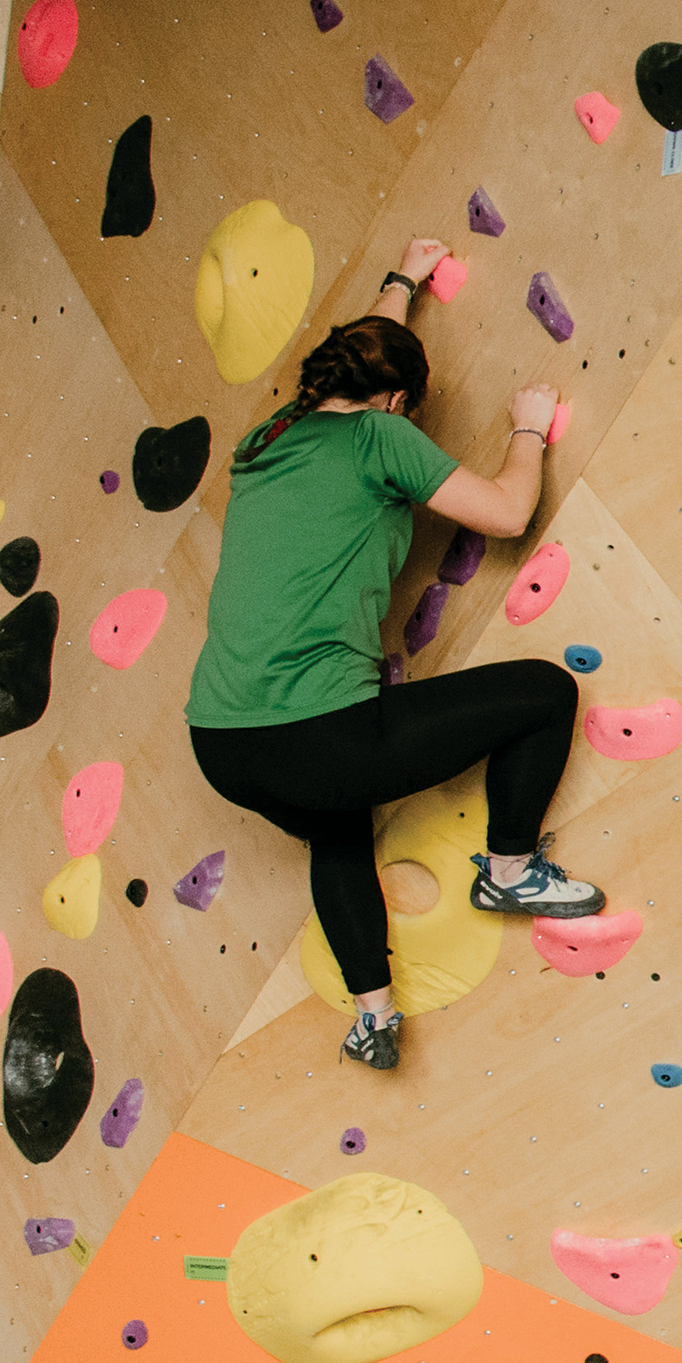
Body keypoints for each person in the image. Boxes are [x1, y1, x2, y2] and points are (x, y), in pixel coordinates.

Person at [184, 240, 603, 1072]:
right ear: (400, 402)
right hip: (316, 735)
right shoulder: (381, 436)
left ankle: (373, 1015)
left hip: (221, 742)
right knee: (545, 692)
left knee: (335, 828)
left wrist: (404, 280)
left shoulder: (264, 442)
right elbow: (507, 512)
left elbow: (361, 353)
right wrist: (526, 426)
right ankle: (511, 869)